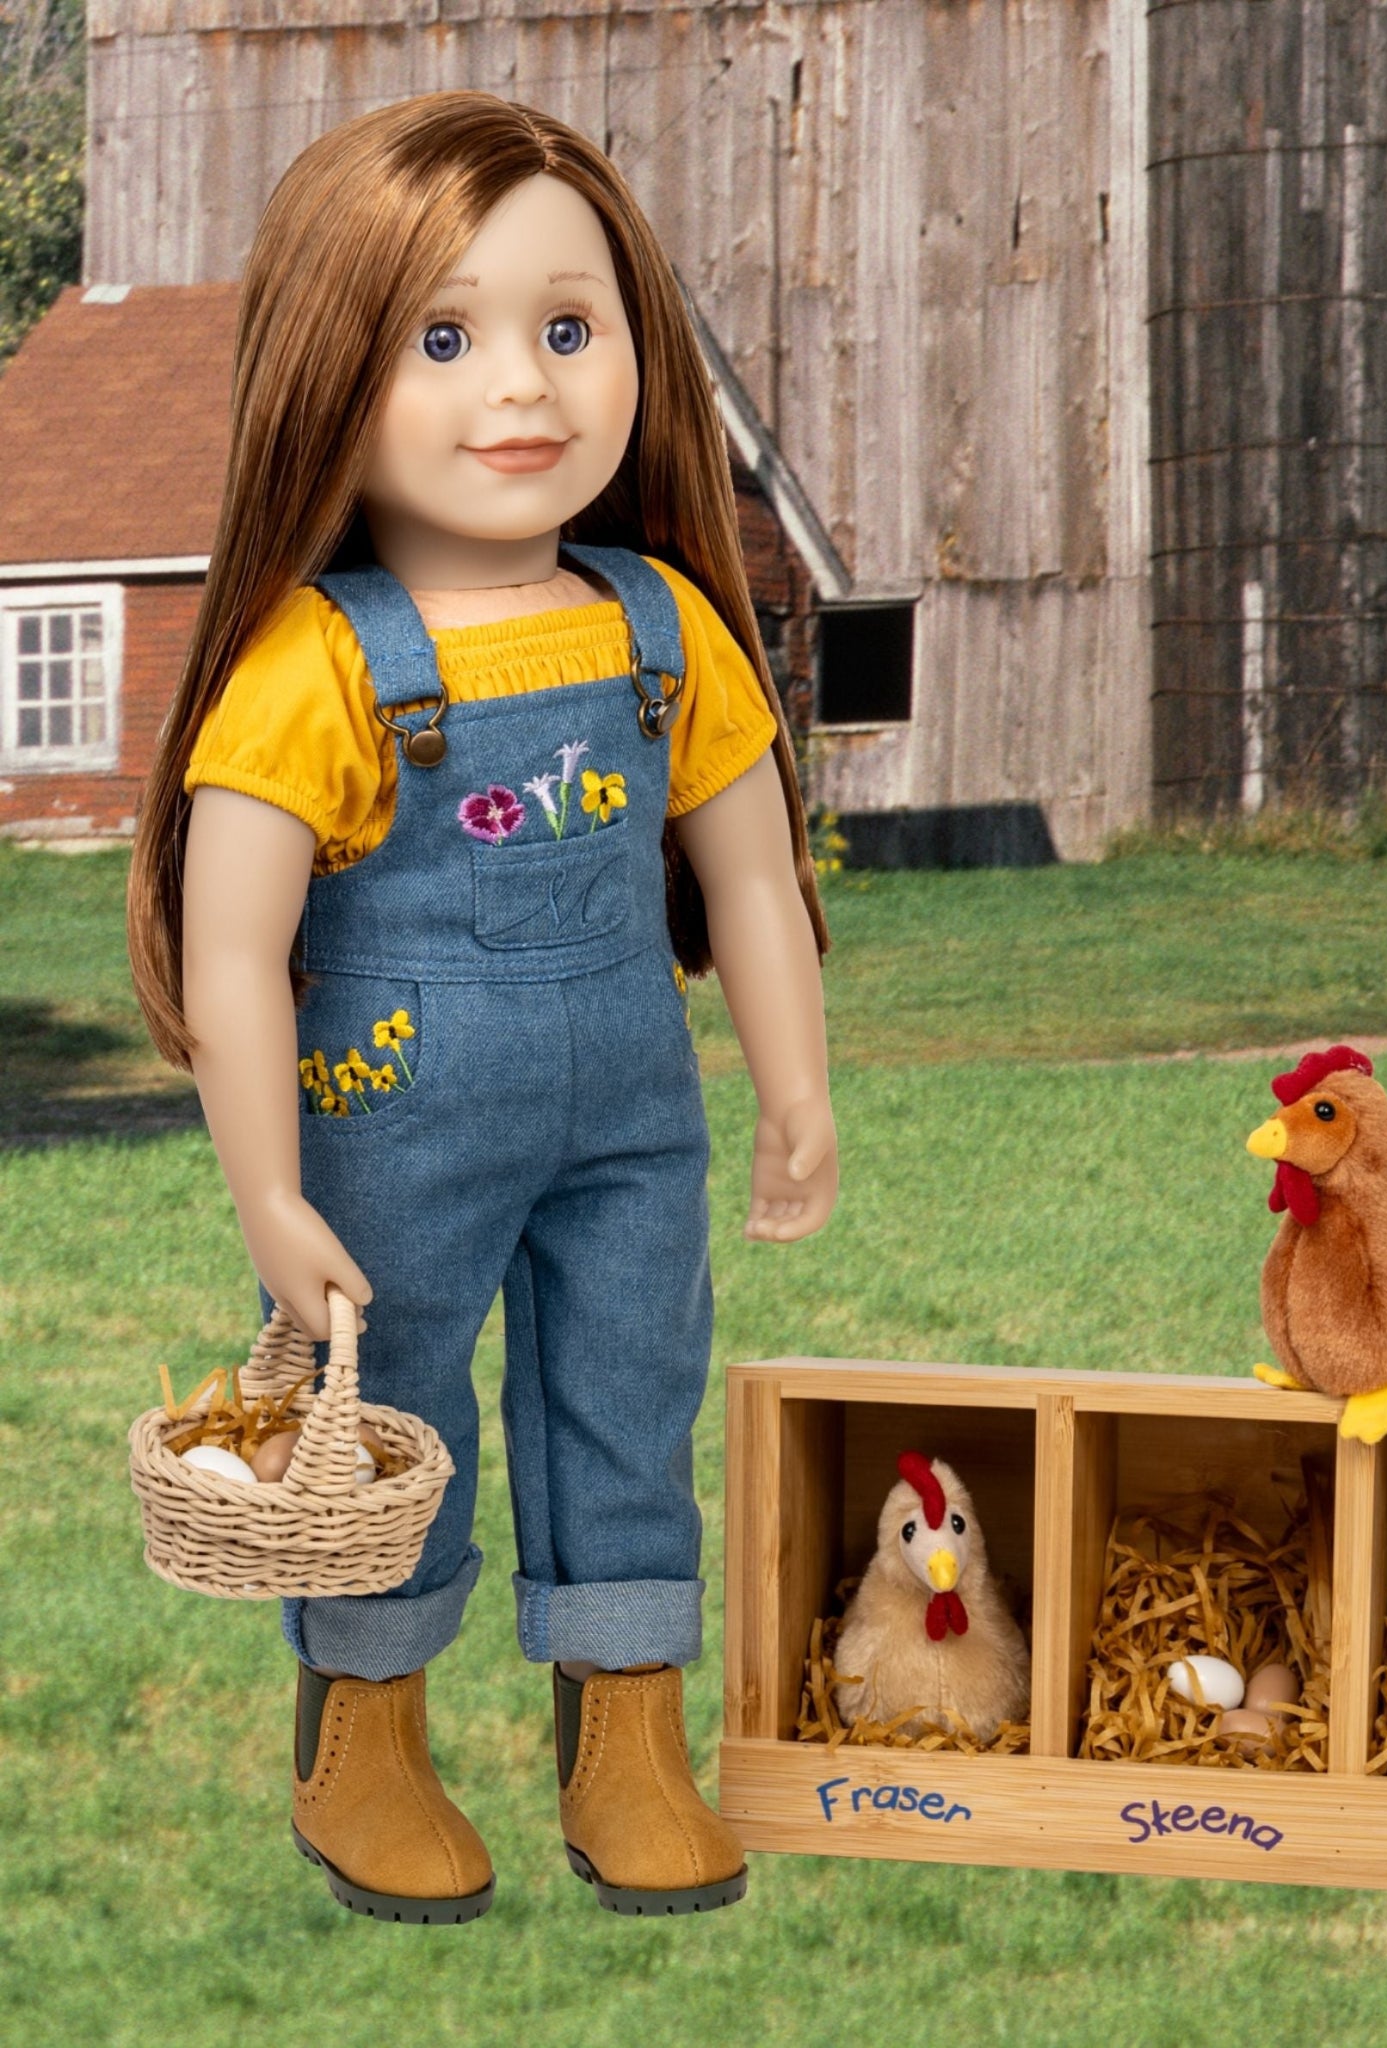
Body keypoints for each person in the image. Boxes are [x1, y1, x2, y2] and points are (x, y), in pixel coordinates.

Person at [127, 92, 835, 1924]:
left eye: (569, 327)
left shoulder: (662, 624)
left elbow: (753, 876)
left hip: (633, 1123)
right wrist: (269, 1194)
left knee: (630, 1395)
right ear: (329, 373)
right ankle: (364, 1740)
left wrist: (794, 1086)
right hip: (392, 1129)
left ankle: (629, 1736)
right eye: (443, 341)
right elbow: (234, 953)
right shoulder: (316, 662)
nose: (522, 386)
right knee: (391, 1422)